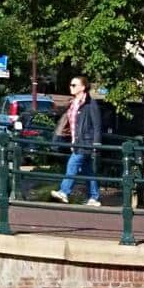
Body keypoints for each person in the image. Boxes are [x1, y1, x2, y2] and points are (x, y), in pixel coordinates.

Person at [49, 75, 104, 206]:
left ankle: (64, 191)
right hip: (76, 141)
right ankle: (94, 197)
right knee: (87, 170)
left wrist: (96, 144)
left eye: (74, 85)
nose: (71, 87)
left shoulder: (90, 103)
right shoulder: (73, 103)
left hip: (86, 142)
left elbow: (97, 125)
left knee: (72, 164)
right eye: (70, 85)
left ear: (83, 87)